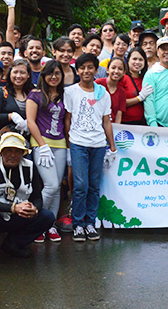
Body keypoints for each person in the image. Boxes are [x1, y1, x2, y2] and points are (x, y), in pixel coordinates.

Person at [0, 133, 54, 264]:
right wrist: (13, 208)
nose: (13, 155)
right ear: (1, 152)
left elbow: (37, 198)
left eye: (18, 151)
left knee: (47, 216)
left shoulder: (30, 167)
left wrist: (34, 209)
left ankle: (13, 244)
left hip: (19, 216)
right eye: (9, 151)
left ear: (23, 153)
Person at [65, 54, 117, 242]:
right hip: (78, 143)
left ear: (96, 70)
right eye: (82, 68)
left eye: (90, 67)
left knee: (94, 185)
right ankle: (77, 223)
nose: (86, 71)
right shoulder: (70, 92)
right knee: (80, 185)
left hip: (98, 144)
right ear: (77, 70)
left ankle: (90, 223)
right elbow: (68, 118)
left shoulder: (102, 92)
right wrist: (68, 142)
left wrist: (111, 146)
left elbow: (106, 121)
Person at [26, 61, 69, 243]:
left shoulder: (65, 95)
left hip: (60, 143)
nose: (54, 77)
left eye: (57, 73)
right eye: (50, 73)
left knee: (58, 186)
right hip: (41, 143)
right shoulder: (35, 94)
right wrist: (42, 146)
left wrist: (68, 147)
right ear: (43, 75)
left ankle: (49, 224)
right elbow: (30, 121)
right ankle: (34, 222)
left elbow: (66, 122)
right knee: (50, 185)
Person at [0, 59, 34, 143]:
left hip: (30, 140)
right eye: (15, 72)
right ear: (10, 74)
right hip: (6, 141)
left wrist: (30, 121)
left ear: (28, 75)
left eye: (22, 72)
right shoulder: (1, 93)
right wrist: (11, 116)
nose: (18, 76)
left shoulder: (33, 93)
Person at [143, 37, 168, 127]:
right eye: (163, 49)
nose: (167, 52)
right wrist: (153, 124)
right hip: (160, 125)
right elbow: (149, 101)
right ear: (157, 51)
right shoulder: (151, 74)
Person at [95, 57, 134, 122]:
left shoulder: (122, 92)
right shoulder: (98, 83)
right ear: (107, 70)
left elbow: (118, 115)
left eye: (120, 69)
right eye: (113, 68)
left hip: (111, 126)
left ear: (124, 72)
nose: (116, 71)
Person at [121, 47, 150, 125]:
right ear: (128, 60)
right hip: (125, 123)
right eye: (134, 59)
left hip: (143, 122)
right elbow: (119, 103)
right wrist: (139, 98)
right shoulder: (122, 78)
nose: (137, 62)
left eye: (140, 59)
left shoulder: (146, 78)